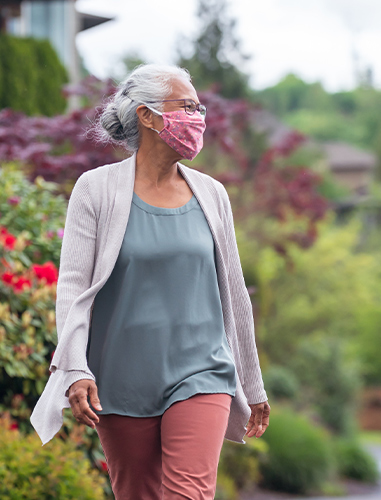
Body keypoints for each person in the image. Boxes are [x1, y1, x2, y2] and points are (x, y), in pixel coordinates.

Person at [30, 64, 271, 500]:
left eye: (199, 107)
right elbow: (72, 288)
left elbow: (234, 293)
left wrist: (251, 384)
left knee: (188, 494)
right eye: (187, 106)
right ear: (147, 116)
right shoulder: (95, 190)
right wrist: (74, 368)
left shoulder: (212, 194)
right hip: (120, 380)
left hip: (203, 372)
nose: (198, 116)